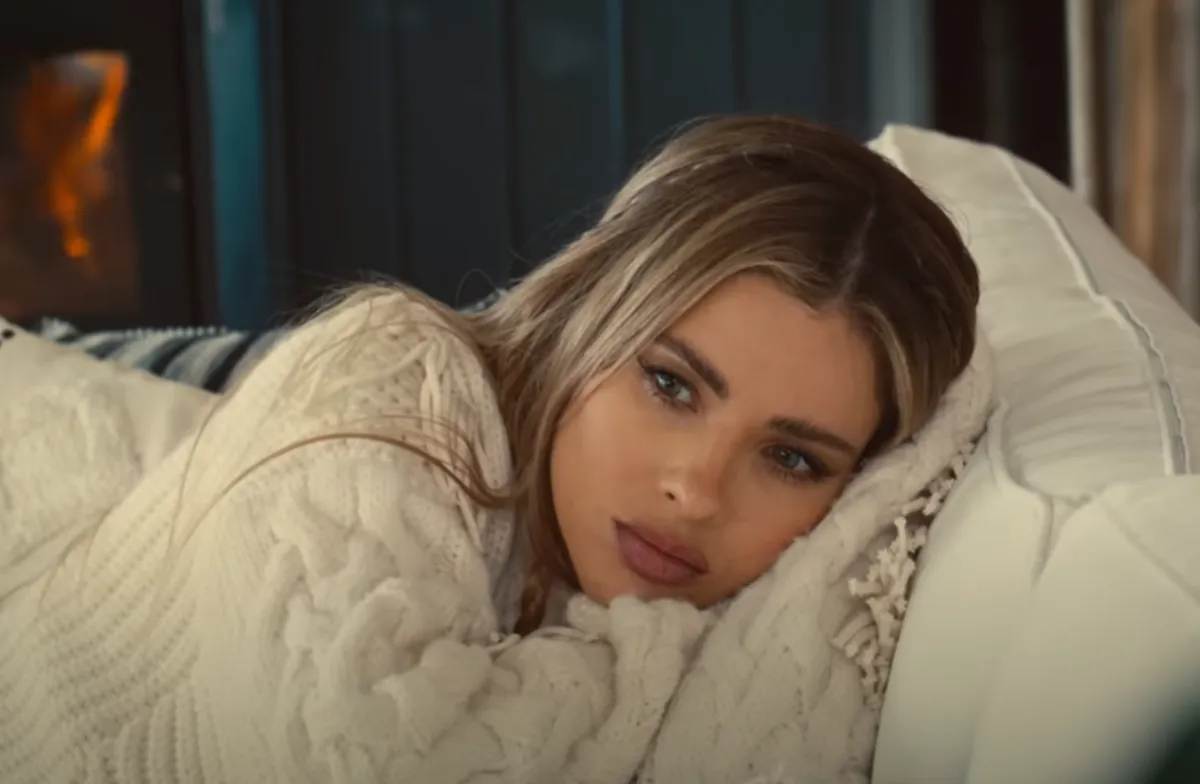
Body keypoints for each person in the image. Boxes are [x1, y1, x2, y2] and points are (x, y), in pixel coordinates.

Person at [0, 116, 983, 782]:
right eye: (671, 385)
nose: (695, 489)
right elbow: (379, 760)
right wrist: (676, 656)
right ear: (590, 309)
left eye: (793, 460)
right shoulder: (396, 374)